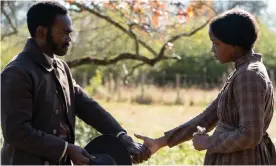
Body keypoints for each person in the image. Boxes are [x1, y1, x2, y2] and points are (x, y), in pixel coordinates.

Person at [1, 1, 150, 165]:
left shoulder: (61, 67)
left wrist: (121, 136)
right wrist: (66, 149)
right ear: (41, 32)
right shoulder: (17, 72)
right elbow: (16, 132)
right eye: (64, 33)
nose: (69, 39)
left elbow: (86, 106)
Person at [135, 9, 276, 165]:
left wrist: (209, 142)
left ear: (234, 45)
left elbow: (250, 135)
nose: (212, 49)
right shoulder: (240, 73)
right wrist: (160, 142)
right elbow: (207, 118)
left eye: (216, 43)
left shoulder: (249, 75)